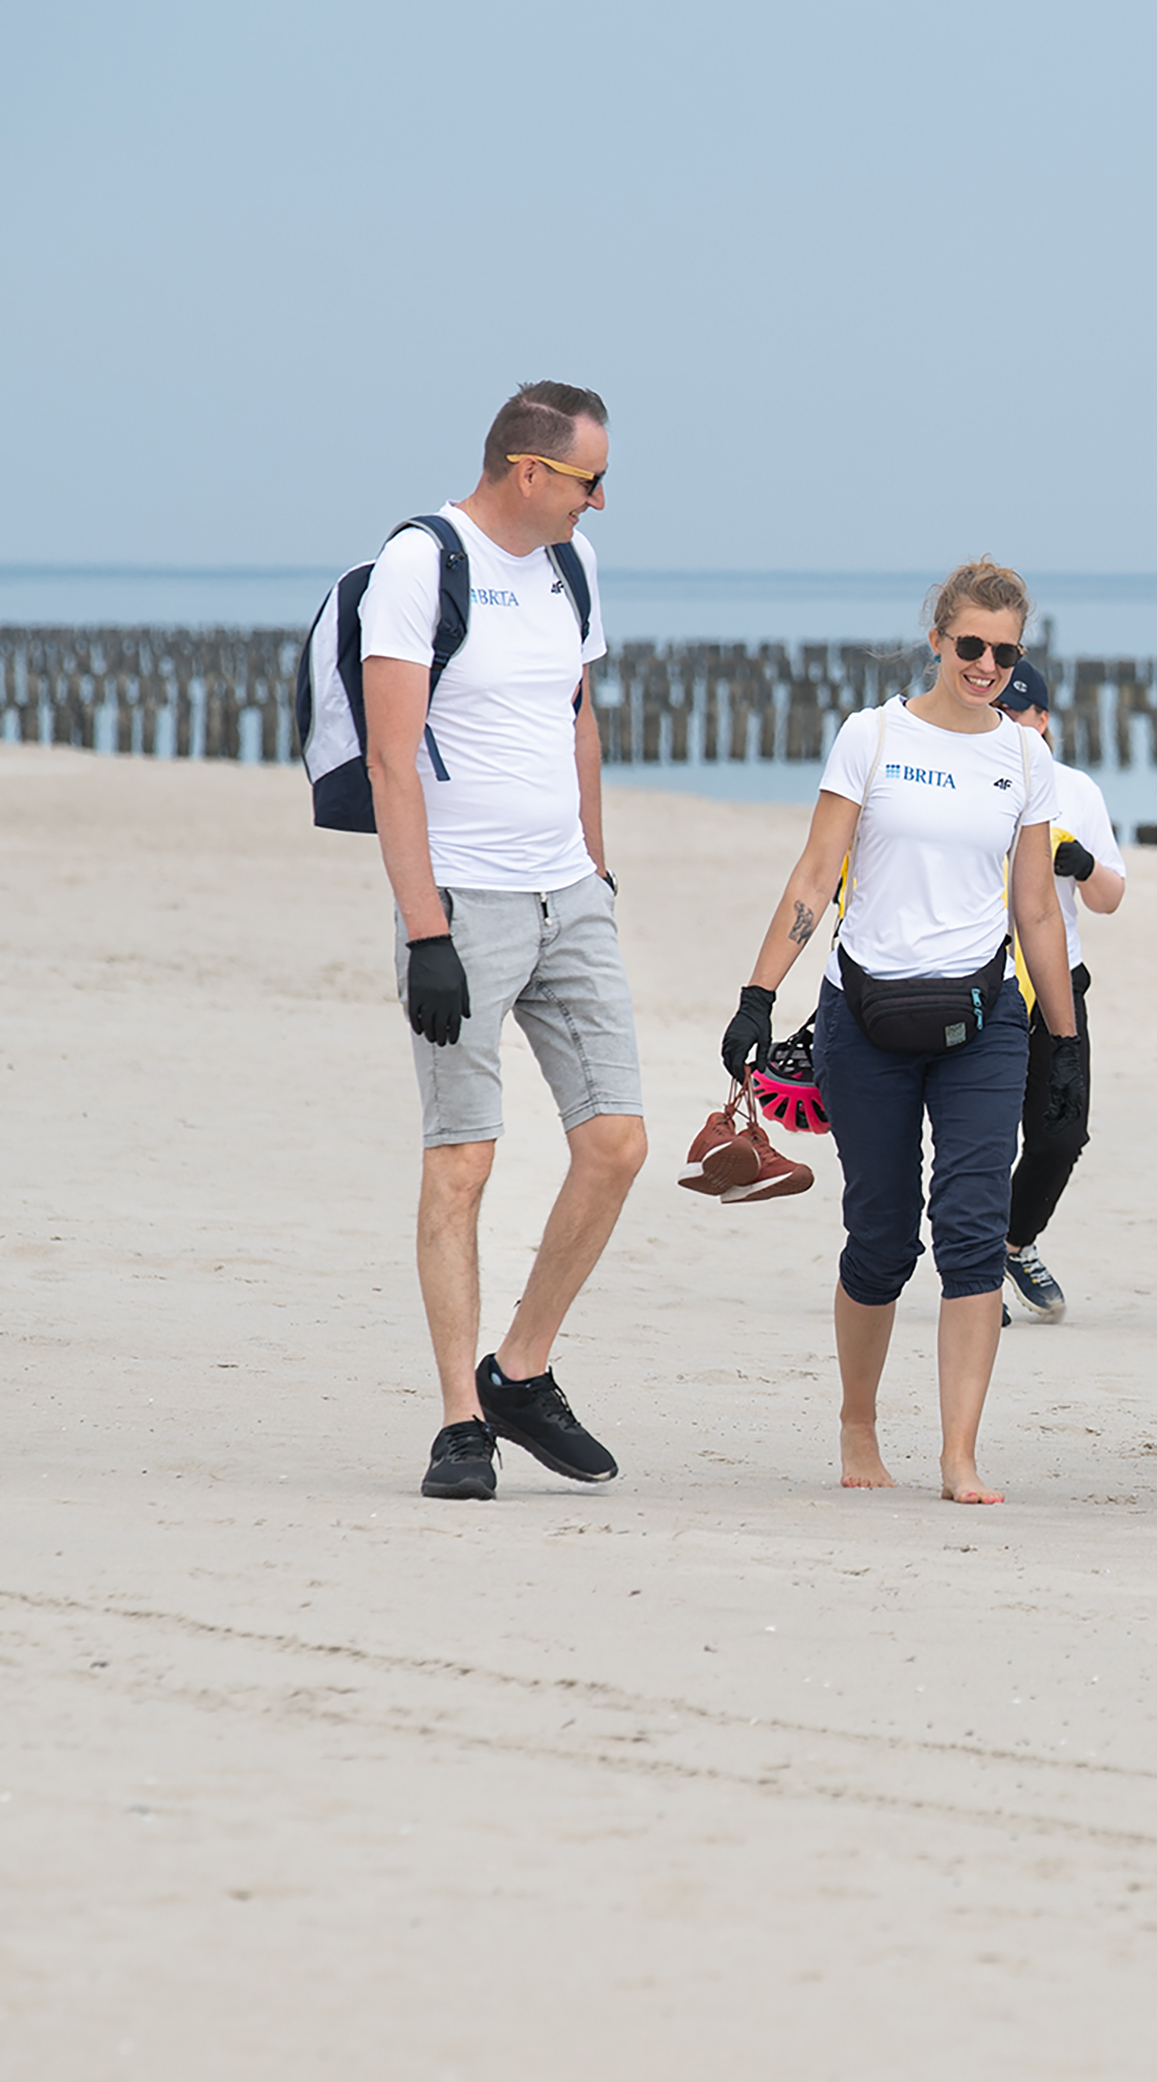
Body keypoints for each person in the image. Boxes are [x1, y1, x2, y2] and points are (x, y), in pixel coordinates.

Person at [720, 561, 1082, 1505]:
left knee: (972, 1227)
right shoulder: (871, 735)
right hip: (865, 1014)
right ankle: (859, 1421)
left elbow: (1038, 911)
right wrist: (759, 997)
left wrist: (1068, 1044)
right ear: (938, 639)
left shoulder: (1025, 758)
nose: (988, 665)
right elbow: (814, 876)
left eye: (1006, 652)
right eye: (971, 646)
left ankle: (959, 1451)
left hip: (984, 1016)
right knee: (879, 1236)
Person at [369, 381, 647, 1502]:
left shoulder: (572, 569)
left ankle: (519, 1369)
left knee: (617, 1142)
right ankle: (458, 1422)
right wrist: (426, 929)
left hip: (567, 893)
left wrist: (596, 859)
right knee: (464, 1157)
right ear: (530, 471)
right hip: (463, 904)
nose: (600, 501)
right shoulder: (419, 563)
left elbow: (577, 715)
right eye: (591, 481)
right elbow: (394, 759)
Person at [991, 656, 1127, 1325]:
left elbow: (1111, 898)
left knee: (1060, 1134)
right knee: (986, 1132)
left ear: (1043, 720)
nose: (1007, 723)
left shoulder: (1076, 790)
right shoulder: (971, 778)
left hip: (1056, 979)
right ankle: (980, 1266)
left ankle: (1014, 1242)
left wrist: (1085, 865)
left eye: (1018, 712)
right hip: (981, 976)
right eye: (998, 712)